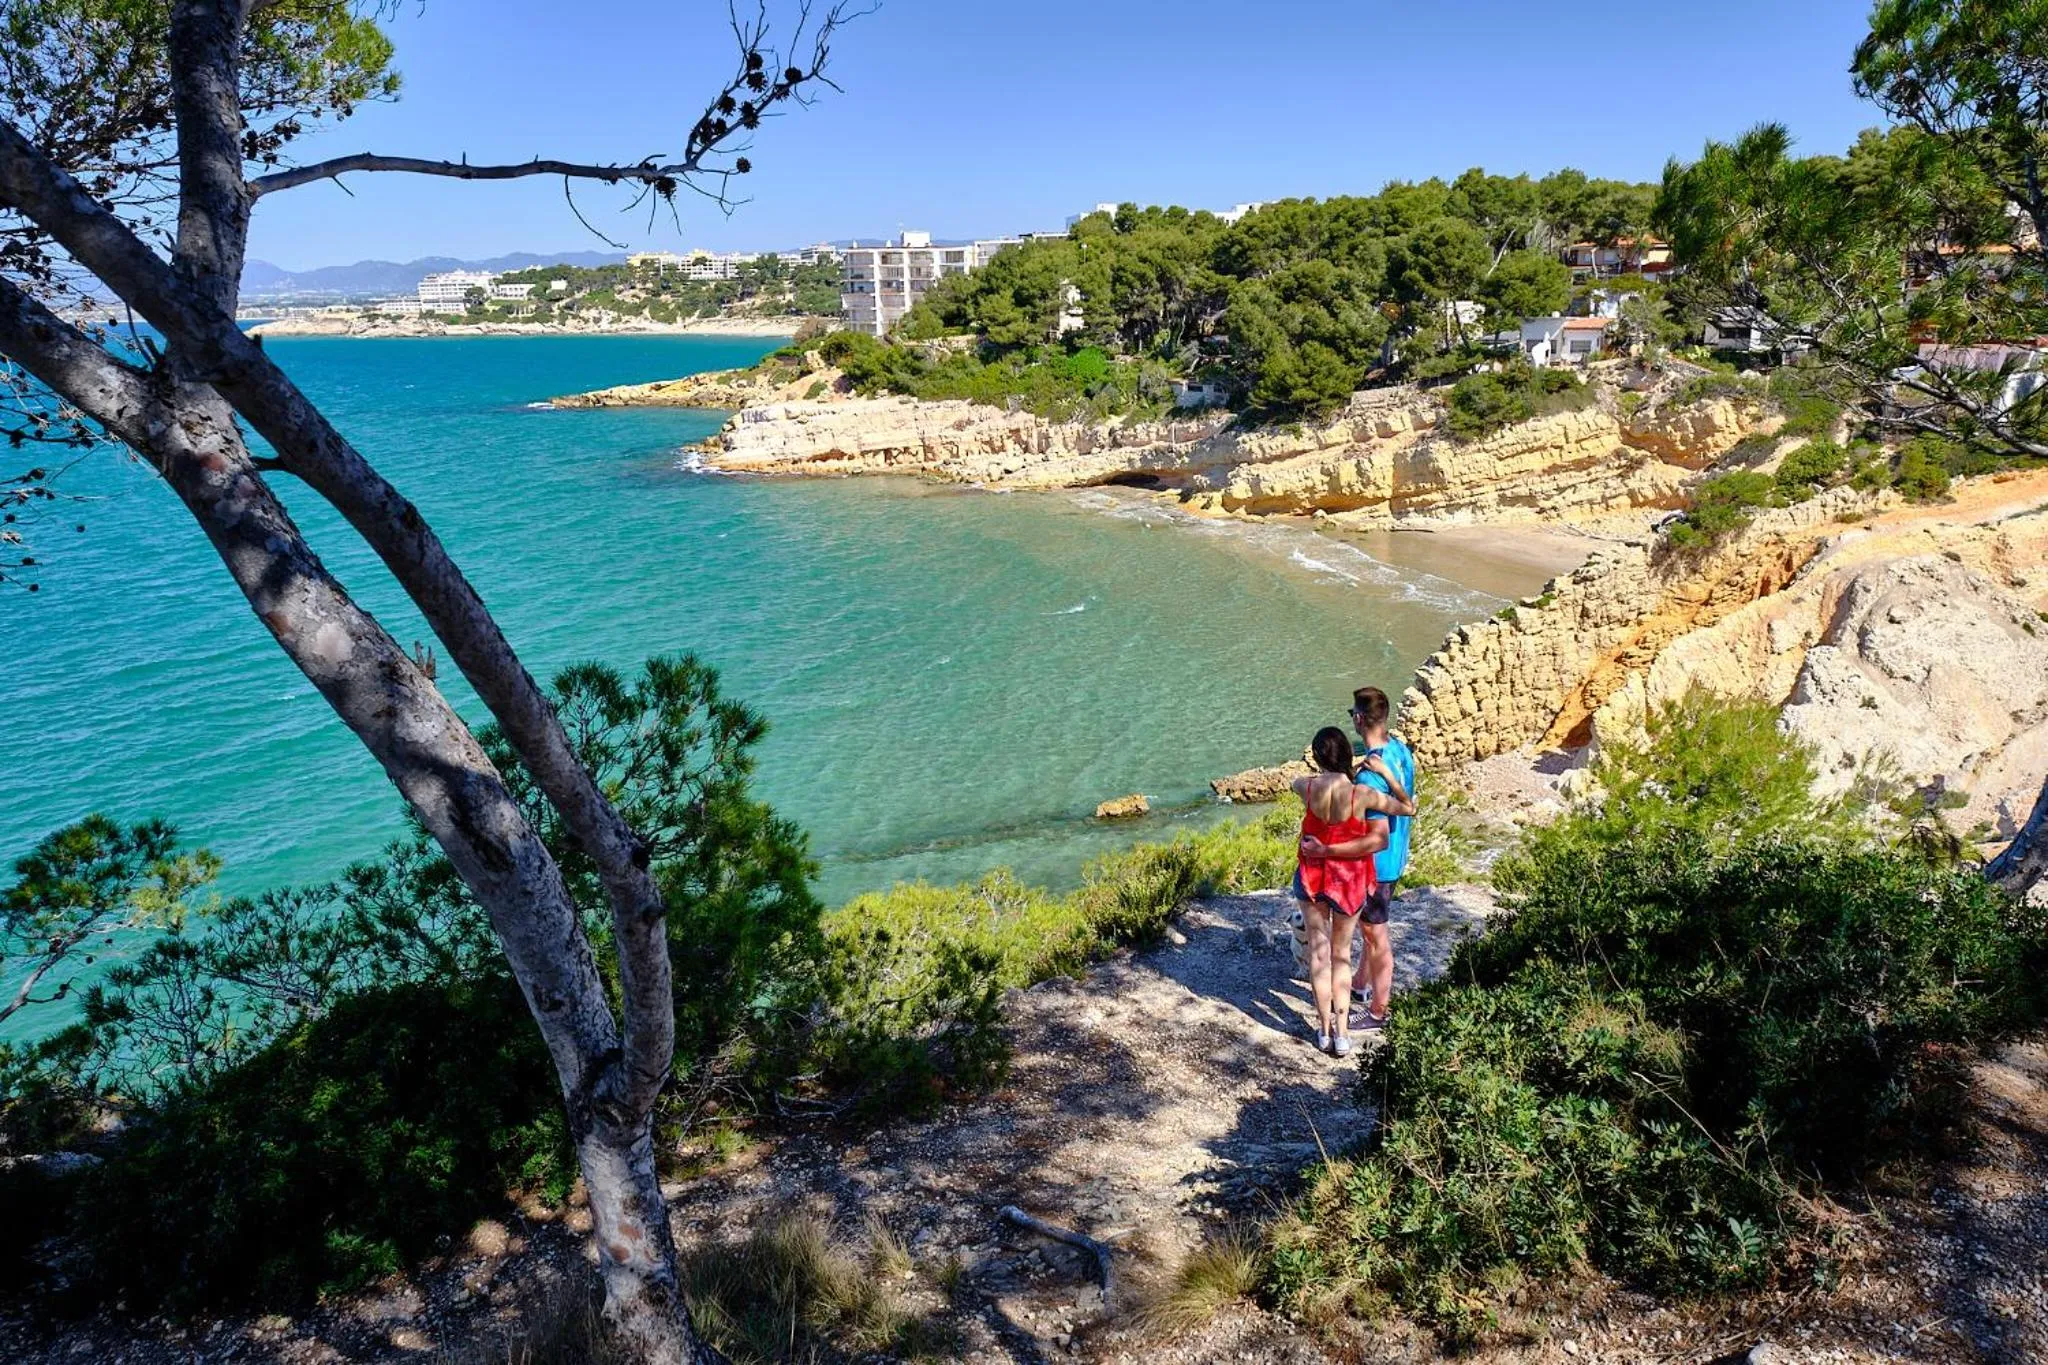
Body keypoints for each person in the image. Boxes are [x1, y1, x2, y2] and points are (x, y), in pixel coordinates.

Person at [1291, 726, 1415, 1056]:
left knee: (1319, 954)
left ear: (1318, 757)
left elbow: (1293, 781)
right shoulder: (1362, 794)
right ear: (1348, 754)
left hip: (1313, 877)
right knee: (1340, 954)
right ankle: (1343, 1035)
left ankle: (1323, 1031)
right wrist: (1387, 774)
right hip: (1347, 881)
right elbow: (1408, 808)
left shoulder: (1307, 787)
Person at [1347, 686, 1417, 1033]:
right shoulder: (1401, 751)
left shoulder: (1370, 775)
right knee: (1370, 930)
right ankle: (1359, 985)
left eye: (1352, 715)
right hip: (1397, 859)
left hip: (1376, 867)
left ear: (1359, 719)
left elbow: (1376, 836)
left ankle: (1377, 1012)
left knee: (1376, 937)